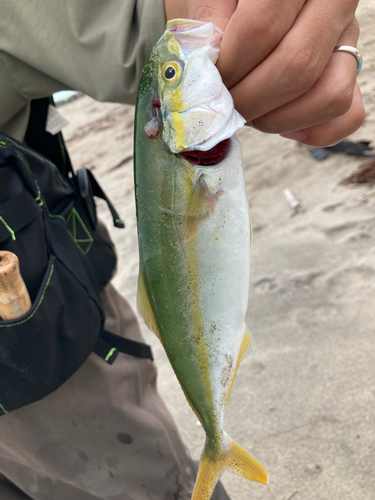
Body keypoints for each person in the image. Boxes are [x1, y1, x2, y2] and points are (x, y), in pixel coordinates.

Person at [0, 1, 364, 499]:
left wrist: (238, 22)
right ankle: (218, 440)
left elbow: (113, 24)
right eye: (173, 73)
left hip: (38, 331)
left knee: (135, 483)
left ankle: (213, 441)